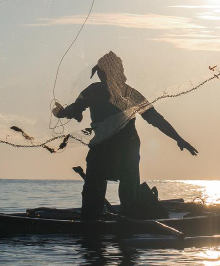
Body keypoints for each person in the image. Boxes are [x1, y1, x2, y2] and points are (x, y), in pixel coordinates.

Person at [52, 51, 197, 220]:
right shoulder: (100, 91)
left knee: (121, 196)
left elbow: (155, 118)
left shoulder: (123, 93)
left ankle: (109, 229)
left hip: (123, 149)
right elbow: (75, 110)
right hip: (109, 148)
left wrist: (179, 138)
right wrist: (62, 113)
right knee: (99, 195)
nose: (100, 75)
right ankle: (103, 228)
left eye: (102, 71)